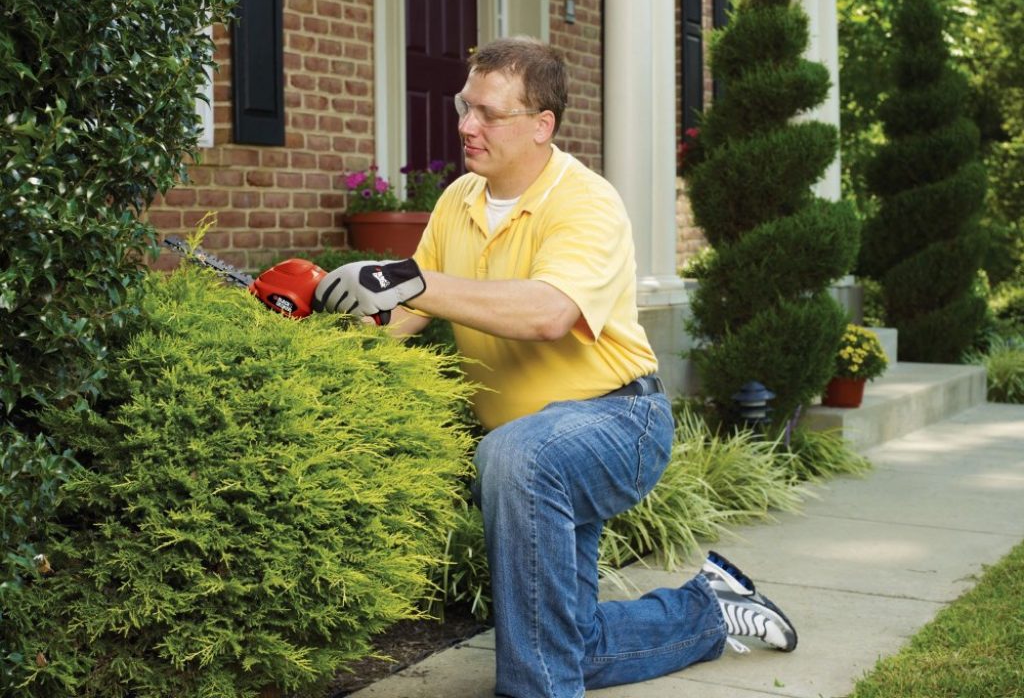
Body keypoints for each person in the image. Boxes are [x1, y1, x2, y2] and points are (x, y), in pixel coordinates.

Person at [313, 37, 796, 698]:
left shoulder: (586, 202)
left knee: (512, 457)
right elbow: (408, 315)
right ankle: (710, 608)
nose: (465, 125)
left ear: (542, 126)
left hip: (619, 422)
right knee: (569, 646)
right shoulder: (459, 200)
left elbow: (549, 312)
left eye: (488, 113)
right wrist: (338, 323)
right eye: (465, 107)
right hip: (532, 451)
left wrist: (411, 281)